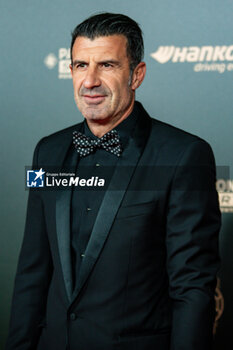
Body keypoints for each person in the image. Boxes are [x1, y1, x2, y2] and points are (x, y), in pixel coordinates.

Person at [6, 13, 221, 350]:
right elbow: (32, 270)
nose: (89, 80)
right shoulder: (47, 151)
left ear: (137, 74)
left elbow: (192, 288)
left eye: (106, 65)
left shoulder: (183, 156)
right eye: (79, 65)